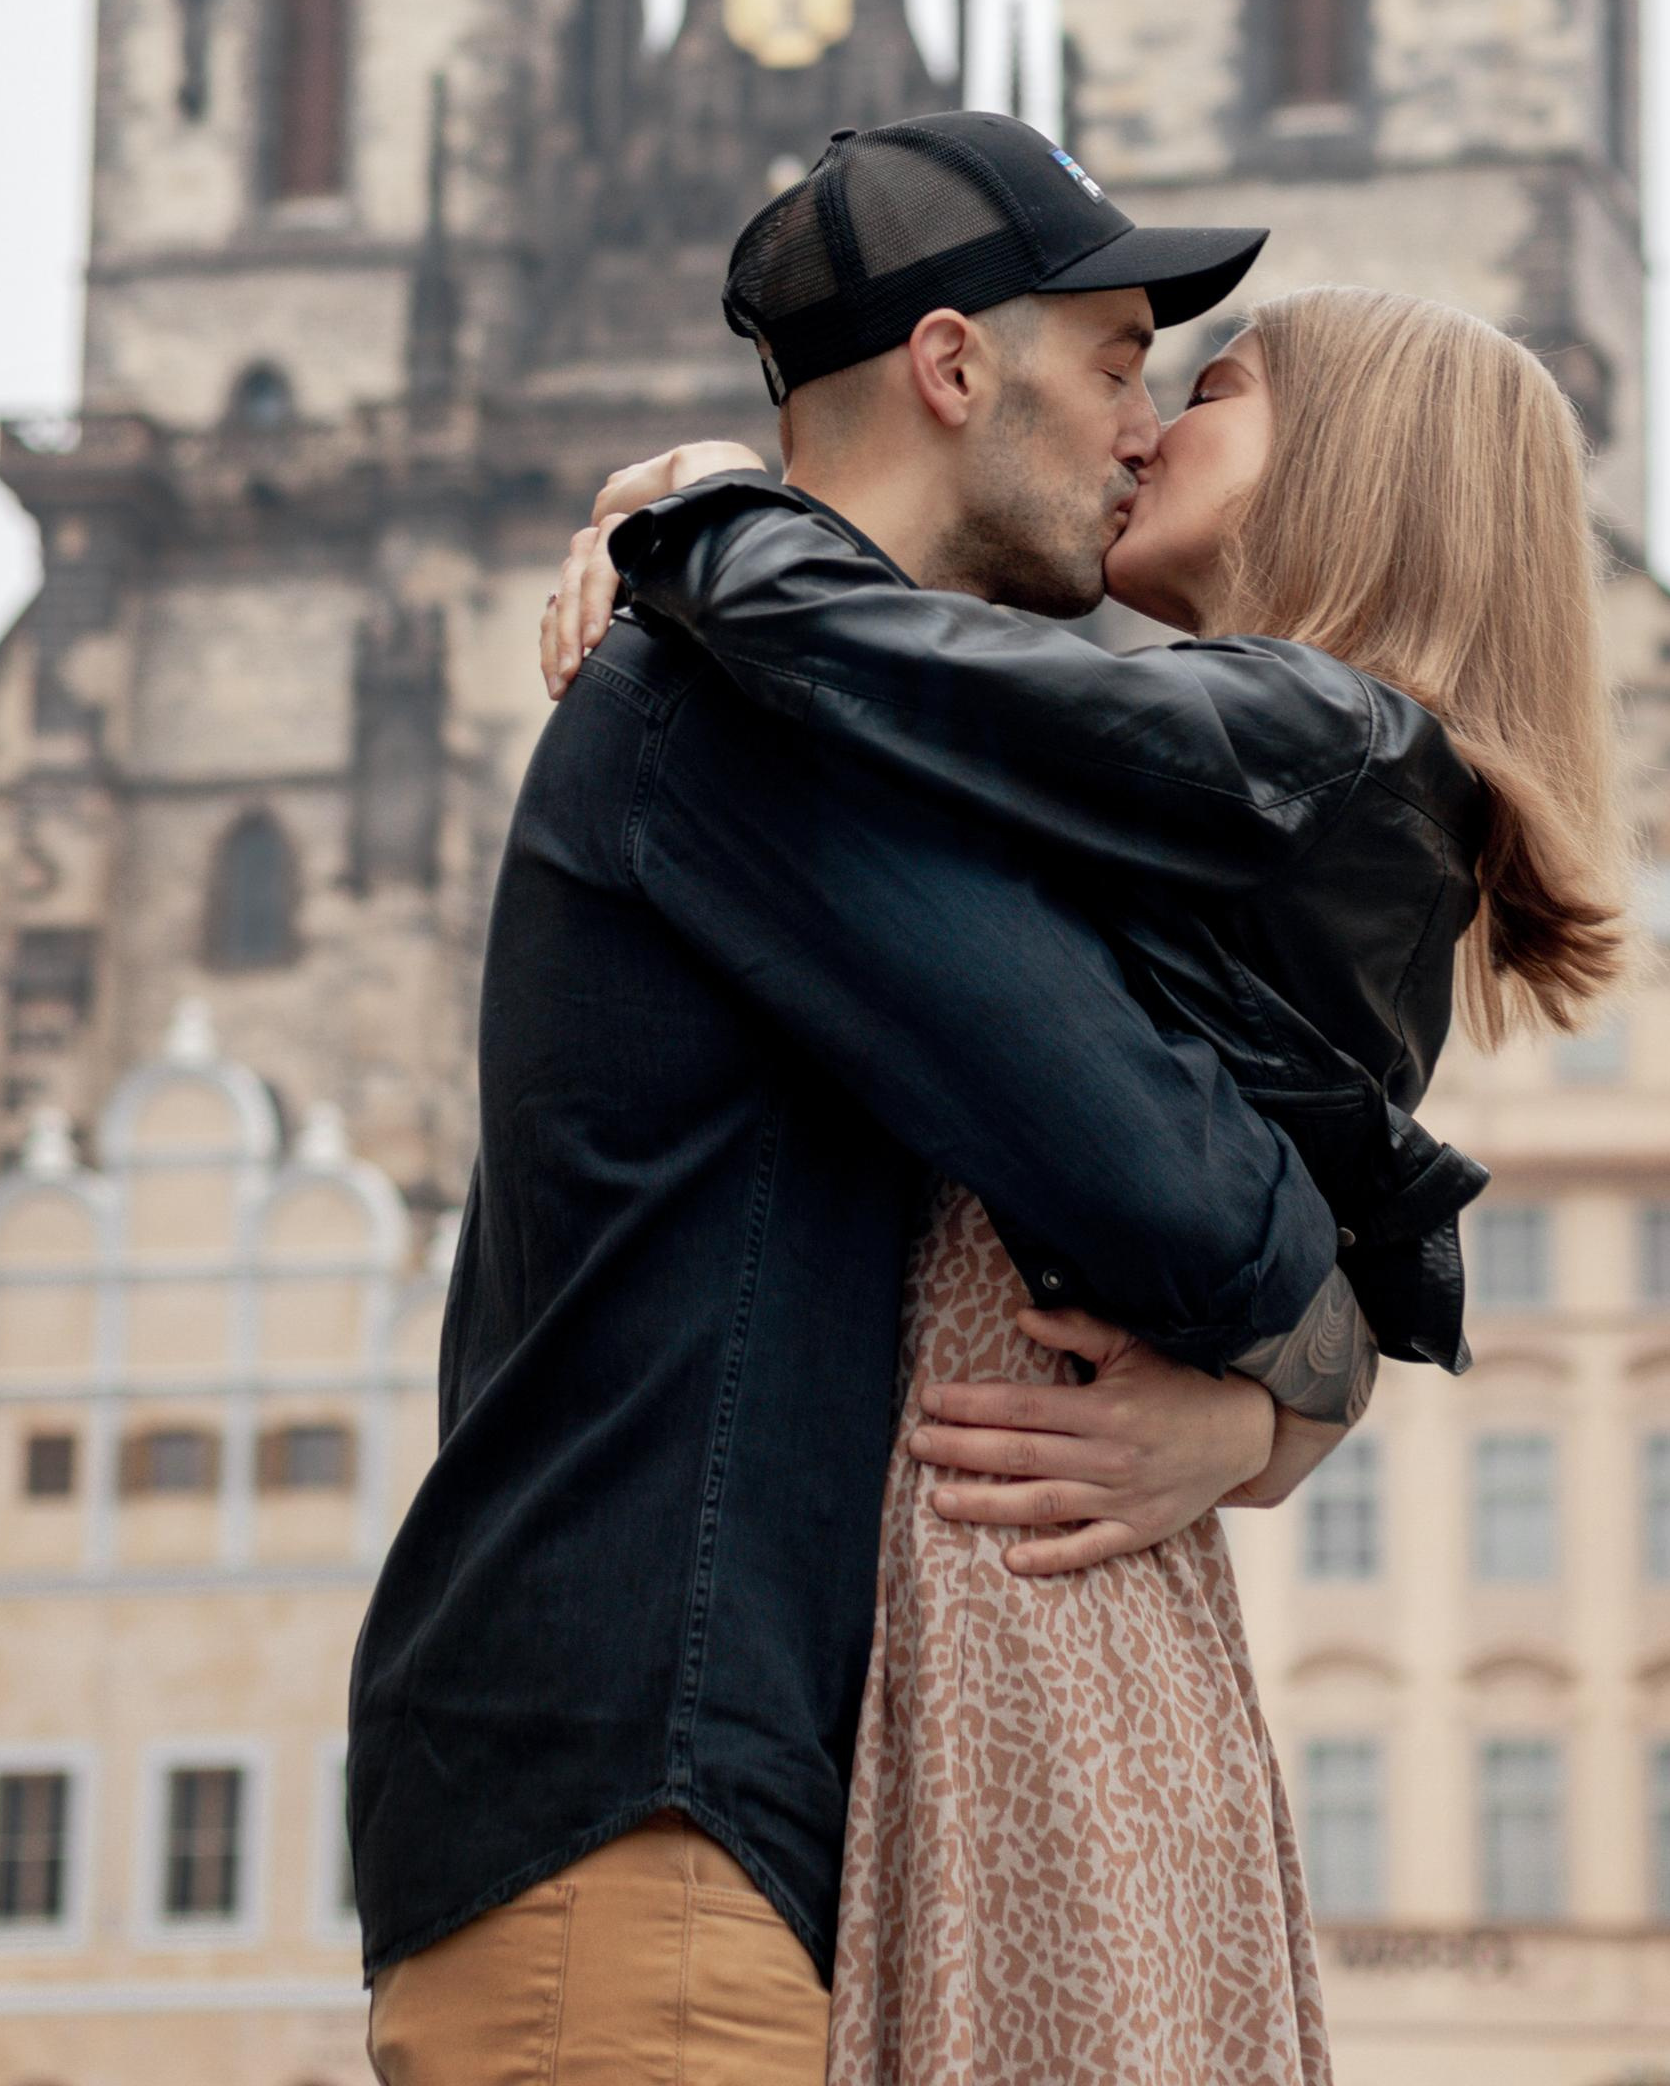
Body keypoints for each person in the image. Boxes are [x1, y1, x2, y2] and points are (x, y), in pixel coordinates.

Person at [351, 113, 1372, 2086]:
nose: (1142, 424)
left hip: (673, 1824)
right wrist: (1292, 1383)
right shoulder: (742, 723)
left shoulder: (807, 696)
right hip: (634, 1829)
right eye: (1115, 359)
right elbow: (1177, 1193)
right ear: (956, 367)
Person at [550, 250, 1632, 2086]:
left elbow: (890, 664)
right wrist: (1289, 1407)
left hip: (1011, 1559)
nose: (1139, 429)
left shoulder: (1315, 744)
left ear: (1351, 468)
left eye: (1206, 389)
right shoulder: (1284, 773)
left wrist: (718, 509)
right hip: (1068, 1555)